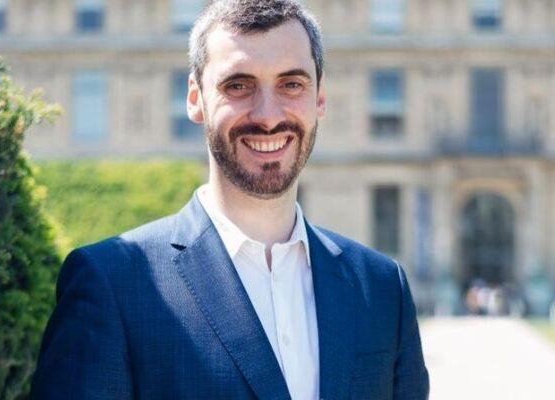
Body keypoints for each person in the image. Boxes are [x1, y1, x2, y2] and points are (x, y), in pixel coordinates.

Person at [30, 0, 429, 399]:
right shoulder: (112, 284)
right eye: (238, 86)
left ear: (320, 98)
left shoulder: (382, 288)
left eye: (291, 84)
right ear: (195, 98)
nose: (268, 116)